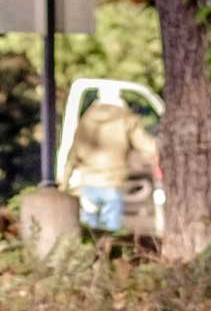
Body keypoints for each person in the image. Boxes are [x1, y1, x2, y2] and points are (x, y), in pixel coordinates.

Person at [60, 90, 157, 232]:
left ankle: (90, 253)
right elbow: (145, 144)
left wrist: (64, 182)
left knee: (88, 230)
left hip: (88, 181)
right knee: (111, 231)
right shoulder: (126, 118)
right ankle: (109, 252)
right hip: (113, 181)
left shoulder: (87, 118)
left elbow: (74, 153)